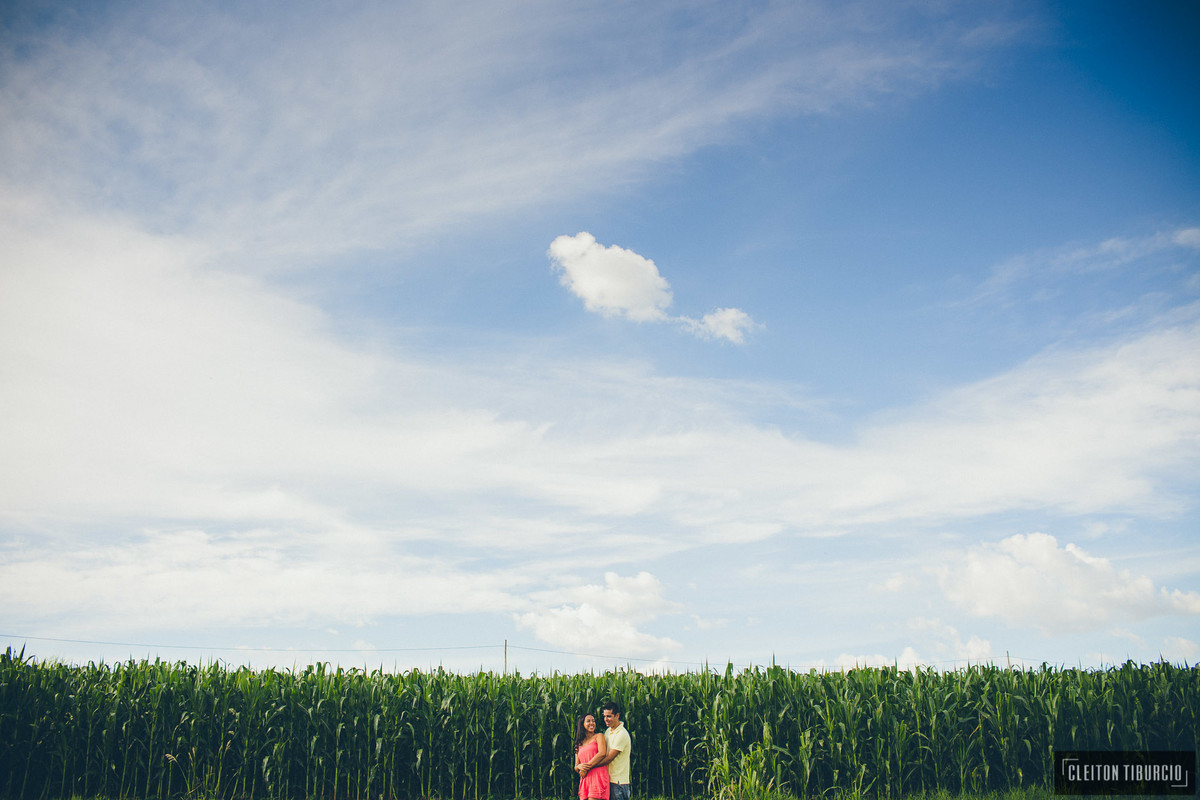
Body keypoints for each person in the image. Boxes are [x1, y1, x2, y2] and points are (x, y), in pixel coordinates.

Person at [579, 701, 631, 800]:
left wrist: (587, 768)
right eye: (604, 716)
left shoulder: (621, 734)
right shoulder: (608, 731)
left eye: (609, 716)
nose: (606, 719)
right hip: (608, 780)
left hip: (618, 782)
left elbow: (608, 758)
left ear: (617, 716)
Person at [573, 713, 610, 800]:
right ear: (582, 724)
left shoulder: (599, 736)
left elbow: (602, 753)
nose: (592, 723)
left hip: (598, 777)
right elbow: (576, 766)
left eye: (593, 721)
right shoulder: (578, 744)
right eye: (588, 721)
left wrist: (586, 768)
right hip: (585, 779)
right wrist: (579, 767)